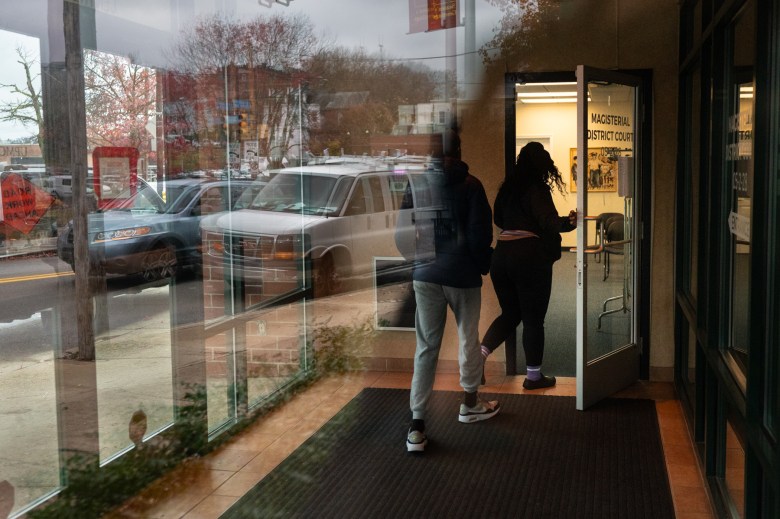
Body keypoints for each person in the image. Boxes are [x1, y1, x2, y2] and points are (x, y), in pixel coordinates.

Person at [398, 128, 498, 453]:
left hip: (425, 275)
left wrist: (419, 261)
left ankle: (416, 426)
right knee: (469, 338)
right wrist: (483, 266)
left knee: (426, 347)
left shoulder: (415, 185)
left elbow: (401, 235)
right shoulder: (472, 186)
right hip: (463, 275)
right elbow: (479, 237)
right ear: (459, 148)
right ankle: (469, 404)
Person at [480, 141, 577, 390]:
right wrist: (569, 222)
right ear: (543, 164)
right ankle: (533, 377)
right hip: (529, 258)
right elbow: (548, 221)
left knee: (511, 314)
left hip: (501, 257)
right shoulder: (537, 188)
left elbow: (499, 219)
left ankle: (476, 359)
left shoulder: (507, 189)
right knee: (533, 319)